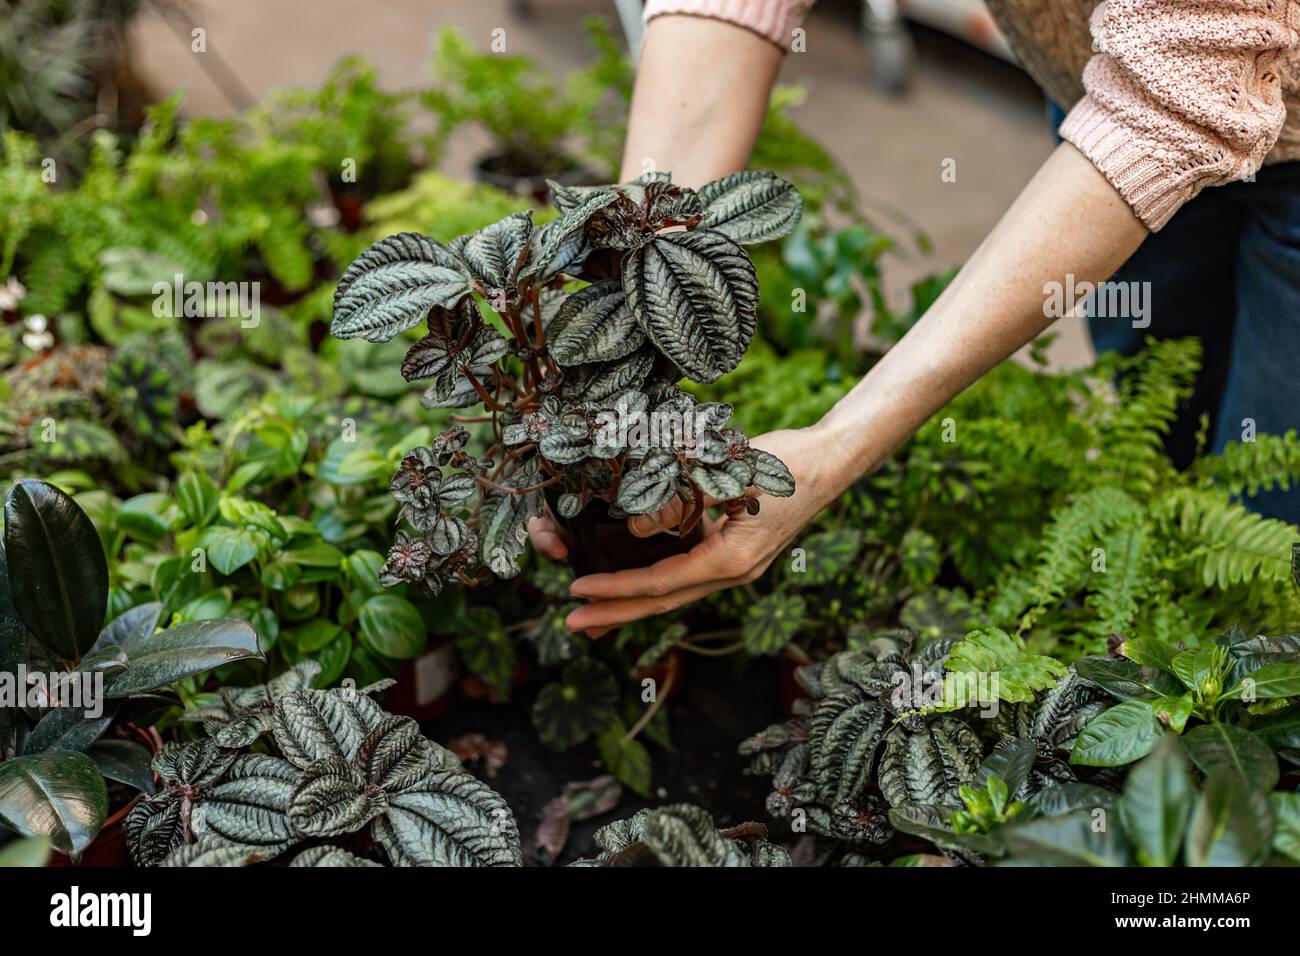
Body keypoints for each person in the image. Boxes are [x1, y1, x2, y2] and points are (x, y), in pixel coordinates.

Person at [529, 0, 1300, 635]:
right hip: (1112, 77)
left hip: (1208, 103)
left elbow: (1175, 93)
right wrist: (628, 314)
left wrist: (838, 447)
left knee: (1265, 525)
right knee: (1155, 410)